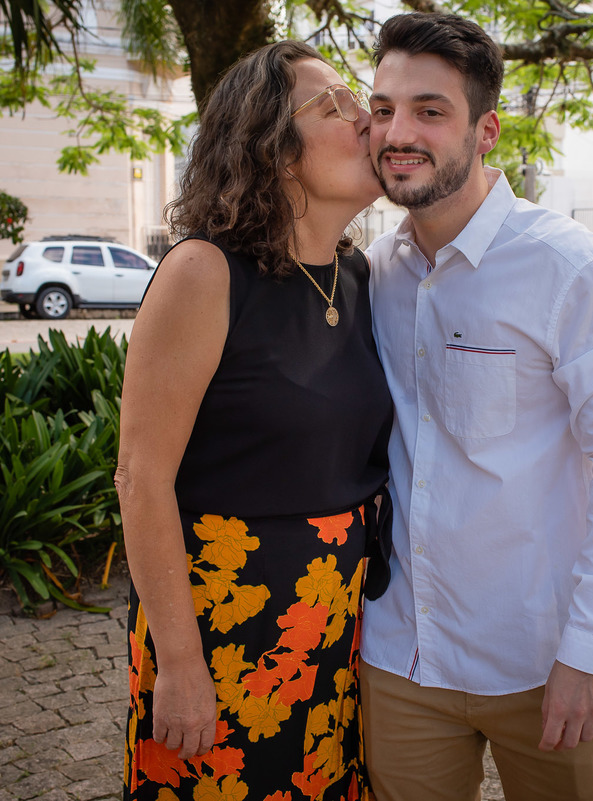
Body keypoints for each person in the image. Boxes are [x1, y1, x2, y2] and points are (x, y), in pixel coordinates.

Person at [359, 13, 593, 801]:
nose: (399, 132)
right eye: (384, 108)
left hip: (542, 656)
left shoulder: (573, 270)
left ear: (485, 129)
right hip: (402, 657)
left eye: (431, 111)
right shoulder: (374, 272)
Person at [116, 40, 393, 801]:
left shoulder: (359, 275)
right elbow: (141, 477)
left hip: (333, 621)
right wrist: (179, 663)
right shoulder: (203, 273)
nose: (367, 118)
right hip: (221, 622)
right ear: (272, 147)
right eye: (333, 105)